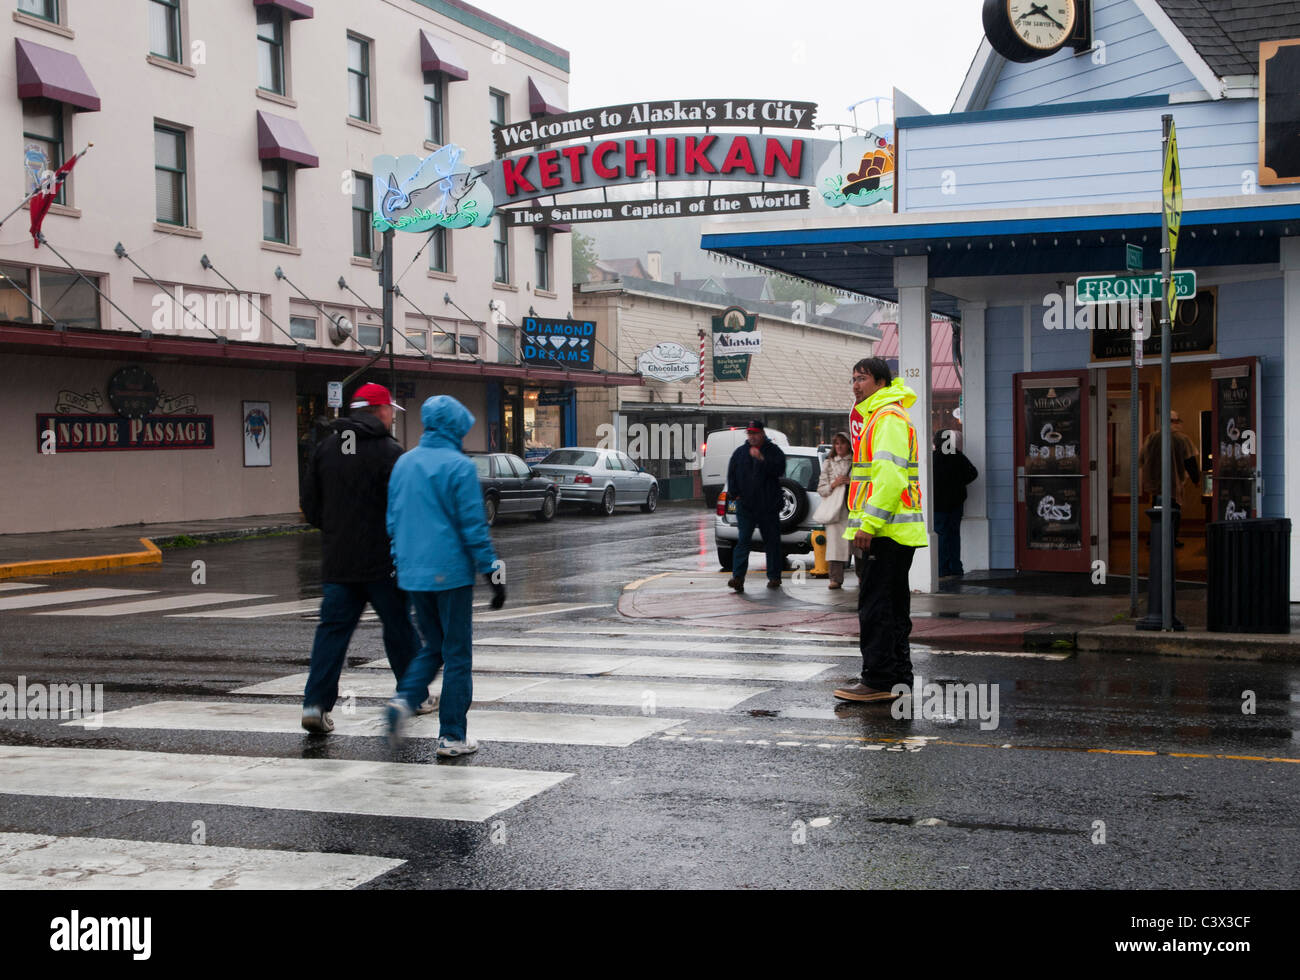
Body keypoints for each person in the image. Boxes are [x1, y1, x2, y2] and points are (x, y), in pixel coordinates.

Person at [300, 383, 426, 734]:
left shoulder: (325, 448)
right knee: (399, 626)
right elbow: (404, 509)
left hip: (339, 562)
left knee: (332, 634)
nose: (391, 417)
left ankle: (315, 704)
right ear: (380, 411)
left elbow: (310, 506)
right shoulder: (391, 452)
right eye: (390, 411)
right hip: (383, 562)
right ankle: (413, 694)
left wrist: (338, 530)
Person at [384, 395, 506, 756]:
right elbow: (473, 527)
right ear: (455, 426)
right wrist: (493, 575)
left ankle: (403, 701)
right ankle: (452, 735)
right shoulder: (459, 467)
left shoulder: (404, 463)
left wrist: (399, 561)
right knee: (456, 655)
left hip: (412, 574)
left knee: (431, 646)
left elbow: (394, 521)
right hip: (451, 575)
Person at [833, 358, 928, 703]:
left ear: (882, 382)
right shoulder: (884, 416)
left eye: (862, 379)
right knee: (892, 607)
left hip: (884, 532)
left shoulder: (886, 418)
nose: (856, 385)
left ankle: (878, 680)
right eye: (853, 378)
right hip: (894, 533)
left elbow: (889, 479)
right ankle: (897, 678)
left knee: (876, 608)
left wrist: (868, 525)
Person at [726, 420, 787, 593]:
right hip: (746, 505)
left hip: (768, 505)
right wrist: (734, 494)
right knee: (743, 540)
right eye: (749, 433)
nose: (752, 437)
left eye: (755, 433)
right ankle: (738, 577)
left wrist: (762, 460)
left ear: (762, 434)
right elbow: (732, 475)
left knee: (772, 542)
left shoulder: (774, 451)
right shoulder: (739, 453)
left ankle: (774, 577)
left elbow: (780, 470)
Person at [1138, 410, 1200, 547]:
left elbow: (1142, 459)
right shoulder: (1182, 439)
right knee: (1174, 512)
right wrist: (1196, 479)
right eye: (1177, 421)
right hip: (1174, 483)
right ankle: (1171, 539)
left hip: (1156, 484)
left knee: (1157, 512)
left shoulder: (1151, 438)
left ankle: (1155, 538)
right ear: (1174, 422)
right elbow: (1190, 461)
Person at [932, 429, 979, 577]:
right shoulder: (958, 456)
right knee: (954, 534)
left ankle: (941, 568)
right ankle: (955, 567)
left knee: (940, 535)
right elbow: (973, 473)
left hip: (938, 503)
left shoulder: (933, 458)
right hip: (956, 502)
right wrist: (960, 483)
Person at [816, 432, 854, 589]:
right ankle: (835, 578)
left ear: (849, 445)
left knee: (858, 546)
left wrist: (851, 482)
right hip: (835, 510)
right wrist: (835, 483)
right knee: (835, 546)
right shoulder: (829, 463)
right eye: (836, 443)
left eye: (842, 443)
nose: (839, 446)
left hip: (853, 507)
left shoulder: (858, 462)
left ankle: (863, 576)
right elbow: (821, 489)